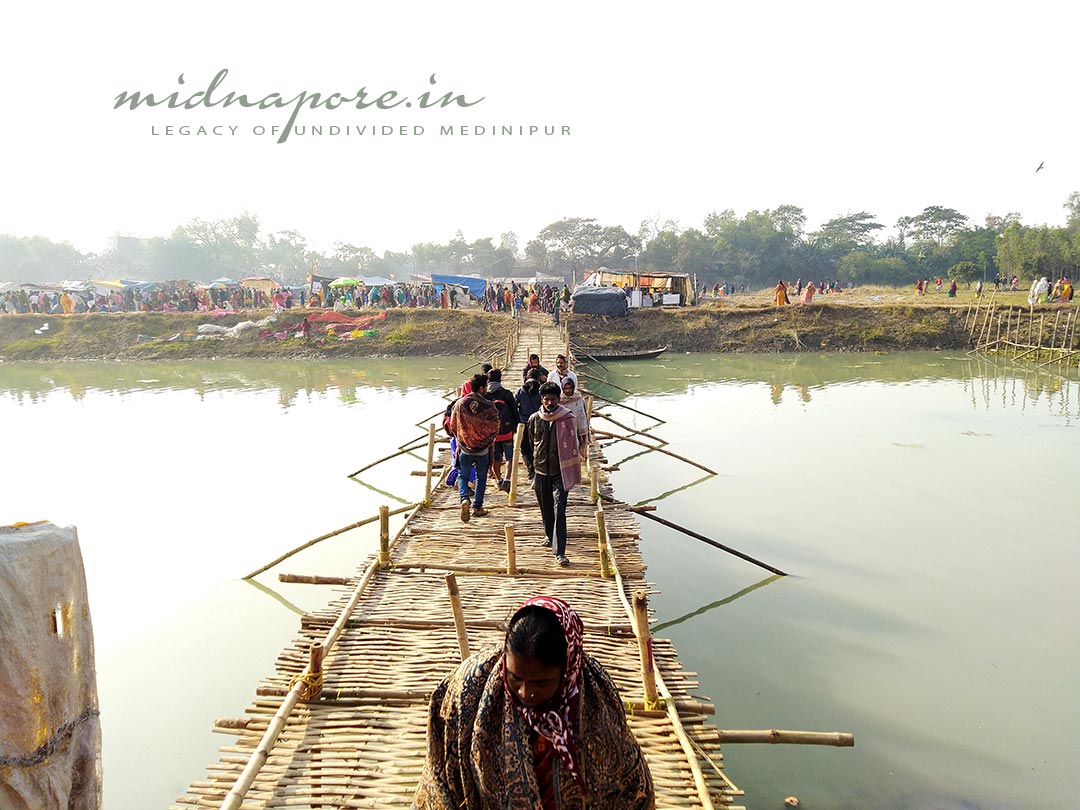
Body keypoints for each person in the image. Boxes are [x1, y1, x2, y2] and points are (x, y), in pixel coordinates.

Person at [413, 595, 655, 809]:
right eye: (515, 678)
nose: (526, 692)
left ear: (567, 671)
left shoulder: (595, 697)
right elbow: (440, 776)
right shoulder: (469, 690)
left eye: (542, 683)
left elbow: (630, 788)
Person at [527, 382, 581, 566]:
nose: (549, 402)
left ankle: (560, 552)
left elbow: (574, 443)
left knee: (560, 510)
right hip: (541, 471)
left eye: (553, 399)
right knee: (546, 508)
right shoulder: (534, 419)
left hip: (561, 471)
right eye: (546, 399)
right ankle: (550, 536)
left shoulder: (567, 418)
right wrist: (532, 471)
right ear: (542, 400)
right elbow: (529, 444)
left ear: (559, 400)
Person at [448, 374, 501, 522]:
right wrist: (483, 438)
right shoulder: (489, 406)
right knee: (481, 478)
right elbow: (496, 426)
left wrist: (464, 437)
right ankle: (477, 507)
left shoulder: (459, 404)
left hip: (465, 449)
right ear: (482, 388)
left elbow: (452, 426)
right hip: (483, 450)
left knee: (463, 476)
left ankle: (464, 498)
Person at [485, 369, 520, 493]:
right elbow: (515, 411)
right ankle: (508, 480)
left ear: (488, 380)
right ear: (500, 379)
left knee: (496, 458)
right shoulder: (507, 394)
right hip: (507, 431)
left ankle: (499, 480)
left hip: (492, 434)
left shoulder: (485, 395)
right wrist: (516, 426)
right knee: (510, 456)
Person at [516, 368, 543, 479]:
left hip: (524, 425)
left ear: (527, 377)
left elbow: (514, 406)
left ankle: (531, 471)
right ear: (538, 378)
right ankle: (538, 470)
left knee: (525, 449)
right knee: (538, 447)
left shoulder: (520, 391)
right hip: (539, 423)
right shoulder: (541, 390)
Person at [559, 378, 590, 459]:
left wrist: (583, 429)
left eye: (570, 388)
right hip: (565, 429)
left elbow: (582, 415)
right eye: (566, 388)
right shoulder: (559, 400)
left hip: (576, 427)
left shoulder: (578, 399)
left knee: (577, 446)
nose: (568, 391)